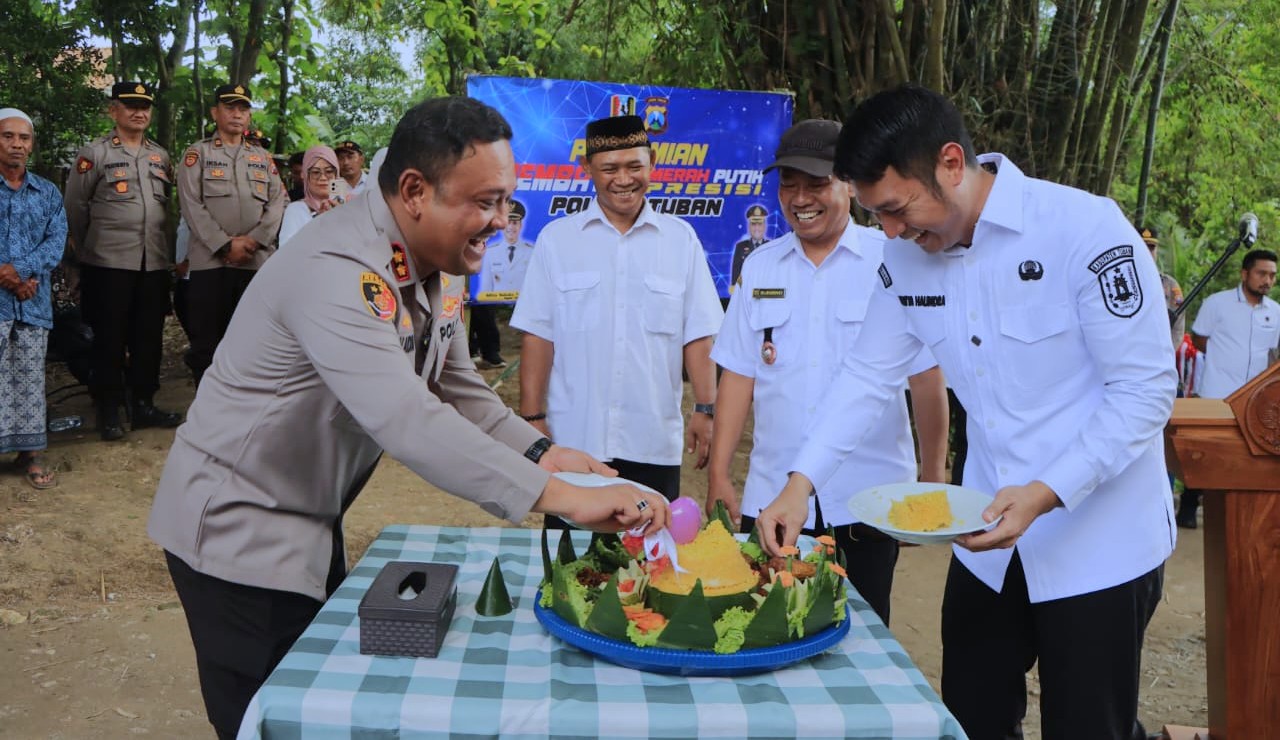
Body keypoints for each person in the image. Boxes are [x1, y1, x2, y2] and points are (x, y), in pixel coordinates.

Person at [148, 96, 672, 740]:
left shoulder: (434, 264)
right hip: (236, 531)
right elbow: (405, 416)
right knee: (275, 716)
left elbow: (455, 384)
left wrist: (540, 453)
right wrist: (559, 497)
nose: (498, 220)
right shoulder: (337, 269)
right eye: (483, 203)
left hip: (308, 518)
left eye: (505, 201)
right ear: (416, 191)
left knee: (317, 702)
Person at [756, 85, 1175, 740]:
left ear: (952, 163)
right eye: (876, 216)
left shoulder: (1084, 231)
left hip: (1099, 537)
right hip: (986, 538)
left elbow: (1145, 390)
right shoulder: (906, 255)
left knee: (1089, 725)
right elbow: (868, 374)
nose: (890, 232)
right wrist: (799, 483)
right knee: (972, 716)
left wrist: (1045, 492)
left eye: (896, 209)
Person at [706, 119, 948, 625]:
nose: (800, 198)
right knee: (764, 623)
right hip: (773, 493)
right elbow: (739, 376)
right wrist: (720, 473)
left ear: (850, 186)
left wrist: (930, 480)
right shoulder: (762, 267)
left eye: (816, 184)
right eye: (788, 184)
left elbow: (927, 380)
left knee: (862, 631)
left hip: (867, 499)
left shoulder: (894, 259)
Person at [512, 114, 723, 520]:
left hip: (652, 440)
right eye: (609, 168)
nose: (623, 179)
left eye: (634, 166)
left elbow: (698, 335)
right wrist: (532, 420)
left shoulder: (680, 240)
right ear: (587, 168)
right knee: (568, 565)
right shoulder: (558, 241)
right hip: (575, 440)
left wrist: (706, 408)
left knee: (649, 562)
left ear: (653, 163)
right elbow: (539, 337)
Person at [63, 81, 182, 441]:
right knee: (109, 338)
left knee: (148, 337)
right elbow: (75, 210)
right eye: (130, 105)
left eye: (144, 106)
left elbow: (168, 210)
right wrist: (86, 254)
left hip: (153, 263)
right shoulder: (94, 154)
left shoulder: (160, 156)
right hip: (108, 262)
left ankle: (143, 403)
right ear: (113, 110)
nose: (139, 112)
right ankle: (109, 409)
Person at [177, 83, 287, 385]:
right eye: (230, 108)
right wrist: (225, 244)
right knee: (207, 342)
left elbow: (278, 201)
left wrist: (255, 240)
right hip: (211, 262)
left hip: (256, 261)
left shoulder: (263, 158)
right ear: (215, 112)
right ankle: (208, 407)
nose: (237, 114)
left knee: (255, 338)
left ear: (249, 116)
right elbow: (190, 204)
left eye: (243, 109)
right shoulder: (196, 155)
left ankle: (250, 405)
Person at [1179, 248, 1279, 527]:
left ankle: (1237, 514)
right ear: (1245, 273)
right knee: (1205, 453)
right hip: (1217, 392)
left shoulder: (1276, 312)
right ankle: (1188, 509)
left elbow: (1272, 353)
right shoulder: (1217, 303)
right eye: (1262, 274)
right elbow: (1200, 340)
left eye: (1272, 275)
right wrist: (1225, 361)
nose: (1267, 281)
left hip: (1254, 399)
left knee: (1245, 457)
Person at [0, 108, 66, 489]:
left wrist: (21, 272)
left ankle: (30, 453)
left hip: (33, 299)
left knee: (28, 376)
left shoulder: (47, 191)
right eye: (8, 136)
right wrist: (5, 273)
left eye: (23, 138)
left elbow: (56, 241)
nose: (17, 144)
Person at [277, 145, 342, 247]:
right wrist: (318, 224)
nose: (323, 178)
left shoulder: (348, 206)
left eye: (329, 171)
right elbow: (287, 253)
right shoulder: (296, 210)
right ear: (305, 175)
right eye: (315, 172)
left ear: (336, 174)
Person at [1140, 225, 1185, 351]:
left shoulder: (1170, 285)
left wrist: (1165, 352)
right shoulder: (1123, 280)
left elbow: (1178, 327)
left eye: (1151, 248)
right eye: (1143, 247)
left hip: (1158, 354)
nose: (1148, 252)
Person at [478, 197, 534, 297]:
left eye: (515, 223)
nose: (511, 227)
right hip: (496, 308)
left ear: (521, 226)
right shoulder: (490, 253)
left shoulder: (532, 252)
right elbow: (486, 289)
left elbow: (536, 286)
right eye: (508, 222)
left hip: (524, 307)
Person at [729, 203, 768, 290]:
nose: (756, 228)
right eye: (753, 224)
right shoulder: (740, 247)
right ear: (749, 227)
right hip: (746, 294)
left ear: (765, 226)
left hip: (768, 294)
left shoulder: (772, 246)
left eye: (760, 224)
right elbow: (736, 274)